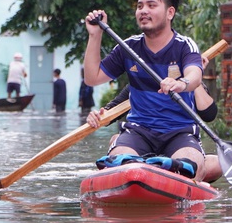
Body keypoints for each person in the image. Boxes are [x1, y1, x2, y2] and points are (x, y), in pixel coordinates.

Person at [83, 0, 206, 181]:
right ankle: (142, 163)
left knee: (191, 165)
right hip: (138, 130)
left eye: (151, 5)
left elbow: (194, 75)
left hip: (179, 132)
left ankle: (194, 165)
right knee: (118, 160)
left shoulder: (185, 45)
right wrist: (95, 36)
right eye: (140, 6)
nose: (143, 11)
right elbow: (92, 78)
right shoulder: (128, 47)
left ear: (170, 13)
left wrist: (180, 83)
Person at [89, 54, 223, 183]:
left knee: (217, 165)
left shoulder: (191, 83)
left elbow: (209, 115)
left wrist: (195, 75)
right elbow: (110, 112)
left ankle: (169, 167)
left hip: (178, 139)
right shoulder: (140, 82)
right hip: (141, 137)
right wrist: (97, 116)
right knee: (116, 140)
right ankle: (145, 165)